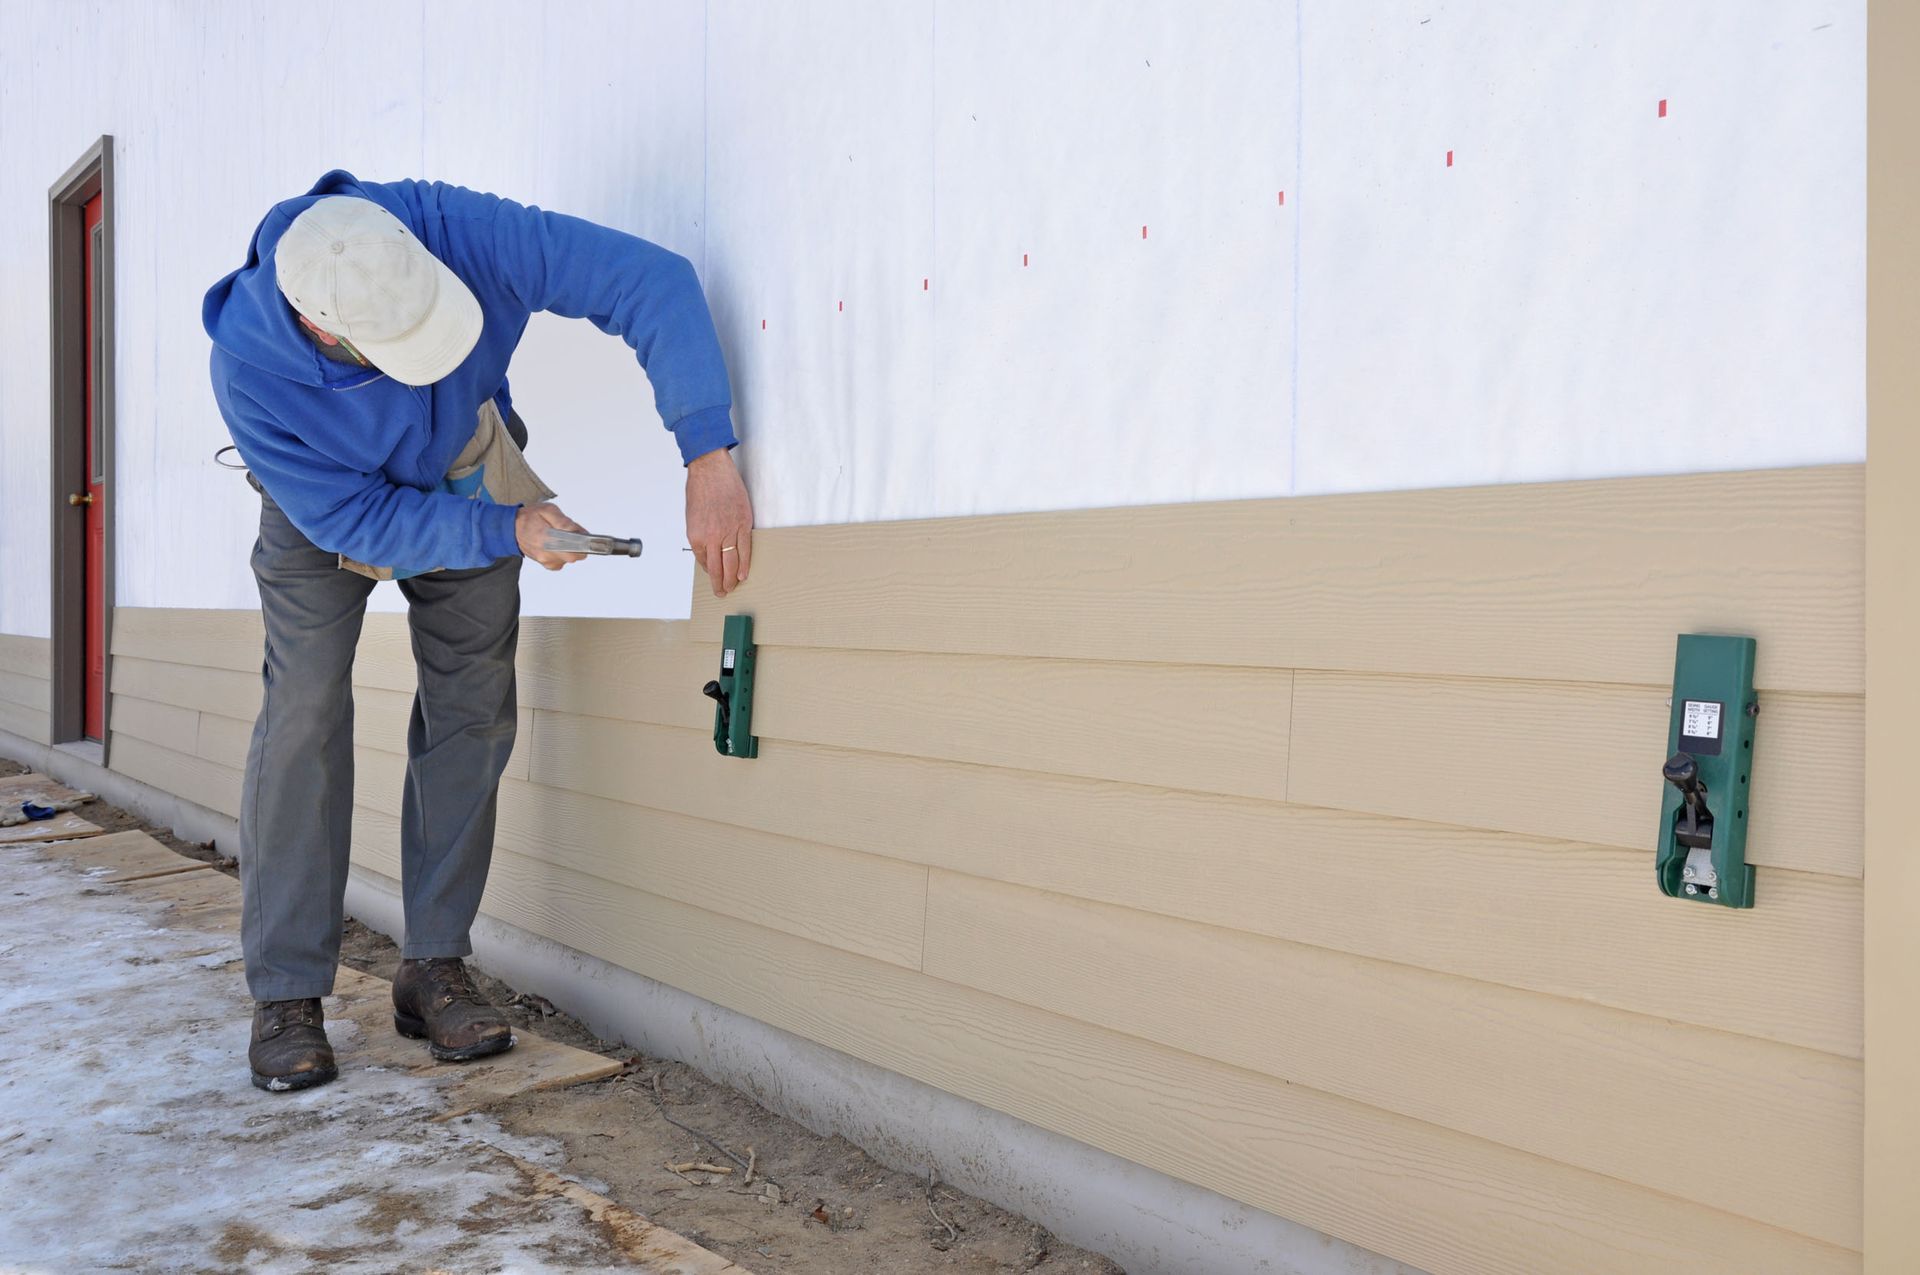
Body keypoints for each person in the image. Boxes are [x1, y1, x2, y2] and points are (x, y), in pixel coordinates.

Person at [201, 170, 753, 1092]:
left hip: (466, 455)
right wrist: (507, 530)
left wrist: (708, 451)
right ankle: (289, 992)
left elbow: (652, 279)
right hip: (324, 509)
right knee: (302, 713)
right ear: (325, 331)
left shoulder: (459, 229)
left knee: (473, 707)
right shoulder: (250, 369)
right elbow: (358, 523)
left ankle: (434, 966)